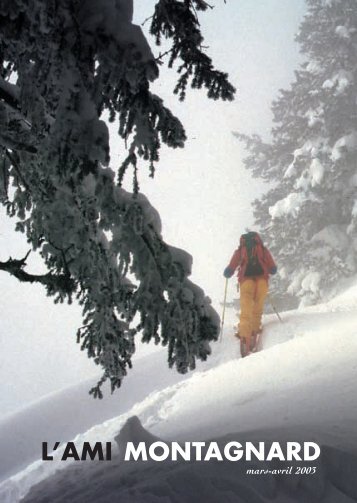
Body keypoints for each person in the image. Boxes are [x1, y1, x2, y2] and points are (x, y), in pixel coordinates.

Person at [223, 231, 277, 357]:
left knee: (246, 307)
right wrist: (270, 269)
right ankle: (254, 330)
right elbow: (272, 268)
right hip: (261, 280)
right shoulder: (263, 250)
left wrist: (228, 272)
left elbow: (231, 267)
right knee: (257, 306)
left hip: (246, 280)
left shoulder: (240, 250)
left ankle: (244, 335)